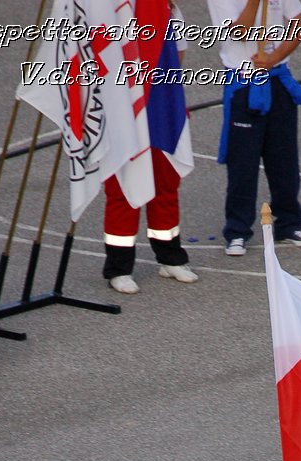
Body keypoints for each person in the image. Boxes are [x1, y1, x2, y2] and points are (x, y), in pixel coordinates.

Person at [208, 0, 301, 255]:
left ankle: (289, 223)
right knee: (242, 161)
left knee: (284, 158)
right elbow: (238, 32)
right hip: (243, 82)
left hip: (277, 76)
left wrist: (274, 57)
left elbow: (299, 27)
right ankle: (237, 230)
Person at [103, 2, 198, 295]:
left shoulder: (169, 10)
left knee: (166, 183)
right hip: (123, 108)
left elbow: (177, 54)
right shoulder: (109, 9)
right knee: (123, 190)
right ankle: (118, 268)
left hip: (160, 107)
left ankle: (170, 258)